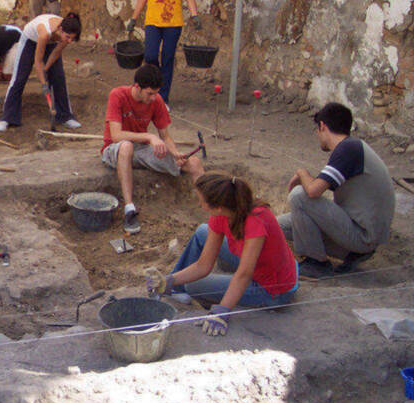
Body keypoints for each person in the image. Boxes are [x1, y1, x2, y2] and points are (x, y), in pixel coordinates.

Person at [146, 172, 298, 336]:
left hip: (273, 288)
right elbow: (203, 265)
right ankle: (174, 289)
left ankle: (189, 290)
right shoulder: (224, 212)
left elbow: (244, 274)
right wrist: (170, 280)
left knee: (194, 286)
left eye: (201, 201)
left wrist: (222, 311)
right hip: (258, 264)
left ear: (218, 207)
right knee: (202, 232)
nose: (199, 204)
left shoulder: (256, 221)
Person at [278, 102, 395, 280]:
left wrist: (301, 173)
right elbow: (321, 185)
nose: (317, 135)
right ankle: (348, 255)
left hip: (363, 237)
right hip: (360, 234)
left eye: (317, 130)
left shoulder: (348, 148)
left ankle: (316, 264)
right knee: (278, 225)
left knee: (299, 196)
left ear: (322, 125)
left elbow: (313, 191)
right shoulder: (352, 148)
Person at [101, 64, 204, 234]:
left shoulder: (157, 101)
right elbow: (116, 135)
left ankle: (213, 208)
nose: (154, 97)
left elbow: (165, 136)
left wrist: (175, 153)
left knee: (194, 163)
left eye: (156, 93)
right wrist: (149, 137)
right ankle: (129, 209)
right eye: (150, 93)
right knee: (126, 146)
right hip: (114, 150)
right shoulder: (117, 95)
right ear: (137, 87)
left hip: (140, 150)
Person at [126, 0, 201, 104]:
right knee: (150, 56)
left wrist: (194, 14)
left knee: (167, 58)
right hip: (152, 20)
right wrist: (133, 18)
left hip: (173, 23)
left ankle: (162, 99)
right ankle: (150, 90)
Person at [0, 13, 81, 132]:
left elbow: (55, 53)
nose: (70, 41)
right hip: (30, 40)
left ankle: (65, 116)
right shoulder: (45, 32)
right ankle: (7, 118)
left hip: (52, 43)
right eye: (68, 37)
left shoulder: (67, 31)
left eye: (72, 38)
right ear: (60, 30)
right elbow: (38, 61)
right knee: (19, 78)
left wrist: (46, 70)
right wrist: (44, 84)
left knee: (58, 78)